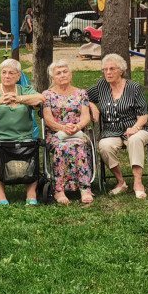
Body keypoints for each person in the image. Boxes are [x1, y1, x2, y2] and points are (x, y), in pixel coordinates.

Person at [0, 58, 45, 204]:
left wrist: (19, 99)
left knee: (33, 153)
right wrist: (0, 100)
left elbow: (40, 99)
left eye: (11, 73)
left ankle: (31, 194)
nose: (7, 76)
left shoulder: (25, 90)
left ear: (18, 76)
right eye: (4, 72)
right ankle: (0, 193)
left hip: (23, 137)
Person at [87, 53, 148, 199]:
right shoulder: (101, 86)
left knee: (135, 140)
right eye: (105, 69)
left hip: (136, 128)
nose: (108, 72)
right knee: (104, 146)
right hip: (111, 131)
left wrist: (135, 128)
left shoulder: (133, 87)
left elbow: (143, 115)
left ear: (121, 70)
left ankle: (138, 183)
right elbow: (81, 96)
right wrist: (92, 105)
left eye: (112, 69)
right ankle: (120, 182)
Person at [42, 60, 93, 205]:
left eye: (65, 72)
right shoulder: (47, 95)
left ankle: (84, 189)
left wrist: (77, 127)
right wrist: (62, 128)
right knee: (63, 146)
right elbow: (48, 119)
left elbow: (85, 116)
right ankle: (59, 190)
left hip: (77, 133)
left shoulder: (81, 93)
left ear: (70, 74)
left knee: (77, 143)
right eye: (58, 73)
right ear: (53, 77)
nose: (62, 75)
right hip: (56, 135)